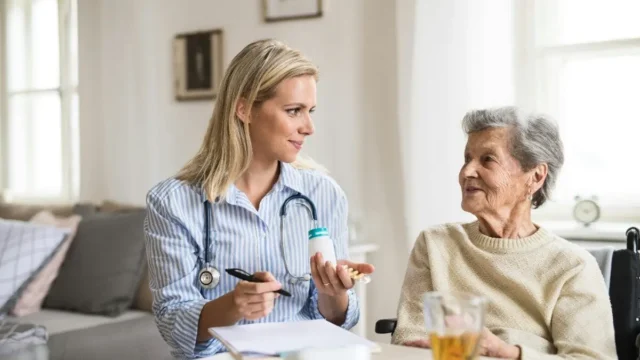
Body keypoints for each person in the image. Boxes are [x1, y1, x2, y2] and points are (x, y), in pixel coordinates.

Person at [144, 39, 375, 359]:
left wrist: (333, 293)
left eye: (310, 111)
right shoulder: (173, 203)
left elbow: (336, 320)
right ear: (244, 108)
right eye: (294, 111)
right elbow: (172, 322)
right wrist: (231, 306)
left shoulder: (324, 194)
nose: (309, 127)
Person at [391, 107, 616, 359]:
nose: (466, 172)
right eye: (467, 158)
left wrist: (510, 353)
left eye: (487, 159)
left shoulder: (573, 265)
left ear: (535, 176)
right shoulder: (435, 244)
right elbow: (409, 339)